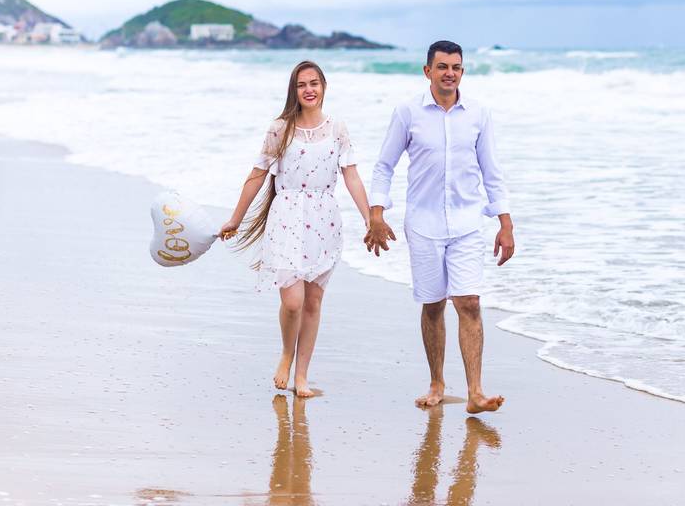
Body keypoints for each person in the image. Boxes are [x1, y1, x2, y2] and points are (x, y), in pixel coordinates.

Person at [364, 40, 515, 414]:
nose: (450, 73)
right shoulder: (407, 112)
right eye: (443, 66)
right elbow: (385, 165)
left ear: (463, 71)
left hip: (467, 222)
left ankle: (476, 392)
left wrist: (505, 222)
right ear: (427, 70)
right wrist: (376, 213)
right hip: (423, 223)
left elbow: (492, 170)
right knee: (432, 306)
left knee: (469, 302)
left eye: (457, 67)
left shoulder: (478, 114)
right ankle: (436, 382)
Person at [220, 60, 370, 397]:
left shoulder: (337, 130)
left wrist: (370, 218)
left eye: (314, 83)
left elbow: (352, 176)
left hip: (324, 218)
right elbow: (257, 175)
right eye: (302, 85)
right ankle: (287, 354)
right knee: (292, 301)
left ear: (324, 86)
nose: (309, 90)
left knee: (313, 302)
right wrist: (235, 218)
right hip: (286, 216)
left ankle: (302, 376)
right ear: (295, 90)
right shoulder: (279, 129)